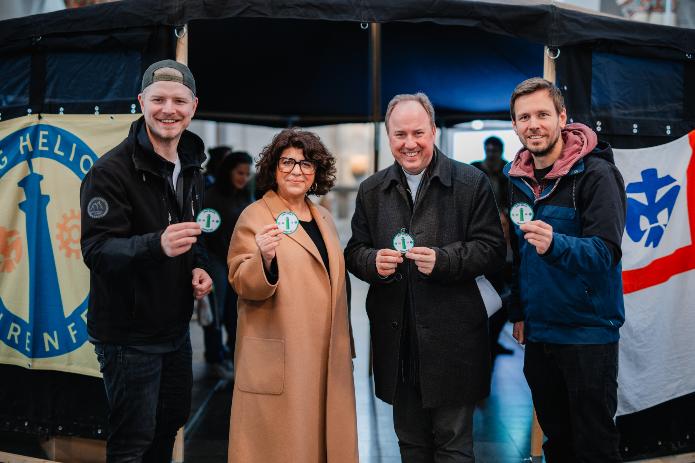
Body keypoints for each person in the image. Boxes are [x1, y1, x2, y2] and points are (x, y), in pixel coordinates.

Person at [344, 93, 506, 462]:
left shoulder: (470, 182)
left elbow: (493, 250)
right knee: (411, 443)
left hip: (454, 337)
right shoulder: (372, 189)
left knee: (453, 444)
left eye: (418, 132)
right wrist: (373, 262)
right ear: (388, 136)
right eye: (399, 134)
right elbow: (354, 251)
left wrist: (445, 259)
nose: (410, 143)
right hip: (397, 338)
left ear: (433, 130)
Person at [80, 60, 212, 462]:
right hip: (128, 337)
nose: (167, 109)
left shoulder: (191, 166)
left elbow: (191, 236)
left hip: (174, 331)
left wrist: (199, 265)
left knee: (170, 422)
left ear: (193, 106)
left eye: (178, 100)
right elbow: (97, 251)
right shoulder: (110, 172)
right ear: (141, 102)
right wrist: (156, 245)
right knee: (132, 442)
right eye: (158, 100)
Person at [505, 77, 626, 462]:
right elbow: (519, 255)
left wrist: (556, 243)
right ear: (514, 125)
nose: (533, 124)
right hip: (541, 337)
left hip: (587, 335)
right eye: (524, 117)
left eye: (542, 114)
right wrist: (520, 311)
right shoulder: (518, 179)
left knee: (594, 446)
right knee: (556, 443)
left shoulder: (596, 174)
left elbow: (606, 252)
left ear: (562, 117)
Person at [226, 128, 358, 462]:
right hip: (283, 357)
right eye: (288, 162)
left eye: (306, 163)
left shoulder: (323, 217)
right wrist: (265, 260)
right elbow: (240, 280)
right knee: (286, 446)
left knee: (320, 444)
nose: (297, 171)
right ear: (273, 168)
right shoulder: (255, 215)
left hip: (325, 355)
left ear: (316, 172)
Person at [201, 150, 253, 378]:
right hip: (216, 261)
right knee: (217, 311)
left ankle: (233, 355)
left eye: (247, 173)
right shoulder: (211, 198)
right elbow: (204, 233)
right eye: (240, 173)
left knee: (236, 312)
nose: (244, 178)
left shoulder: (242, 196)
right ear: (228, 172)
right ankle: (215, 357)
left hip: (238, 262)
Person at [472, 136, 514, 360]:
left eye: (494, 150)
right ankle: (483, 343)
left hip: (505, 244)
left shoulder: (509, 173)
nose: (491, 153)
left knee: (503, 297)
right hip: (481, 241)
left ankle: (491, 342)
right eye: (488, 149)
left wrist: (506, 216)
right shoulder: (475, 171)